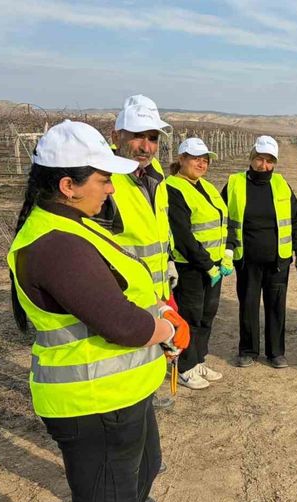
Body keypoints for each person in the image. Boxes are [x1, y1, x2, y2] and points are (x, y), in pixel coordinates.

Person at [7, 120, 190, 502]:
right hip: (94, 404)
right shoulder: (55, 246)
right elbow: (122, 324)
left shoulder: (76, 227)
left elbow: (116, 288)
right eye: (103, 180)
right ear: (67, 186)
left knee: (144, 470)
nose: (110, 189)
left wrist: (160, 310)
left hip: (121, 394)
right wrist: (166, 331)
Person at [95, 94, 177, 409]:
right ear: (116, 137)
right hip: (122, 294)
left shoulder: (155, 176)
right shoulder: (104, 181)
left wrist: (168, 261)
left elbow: (158, 228)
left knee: (148, 357)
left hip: (154, 290)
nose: (145, 146)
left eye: (152, 138)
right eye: (137, 137)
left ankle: (147, 396)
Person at [222, 135, 297, 369]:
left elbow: (295, 220)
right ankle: (248, 350)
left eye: (269, 160)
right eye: (259, 159)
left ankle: (276, 353)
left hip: (278, 261)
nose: (264, 165)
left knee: (276, 306)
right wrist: (226, 249)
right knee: (248, 305)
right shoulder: (234, 184)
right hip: (246, 260)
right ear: (251, 158)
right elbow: (222, 219)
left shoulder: (281, 184)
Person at [166, 137, 229, 389]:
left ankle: (199, 359)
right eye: (195, 159)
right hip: (191, 267)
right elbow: (183, 235)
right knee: (190, 316)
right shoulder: (173, 188)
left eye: (204, 160)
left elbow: (223, 220)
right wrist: (206, 264)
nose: (201, 164)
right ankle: (185, 367)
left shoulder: (207, 186)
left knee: (207, 314)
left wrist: (226, 255)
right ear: (181, 159)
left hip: (213, 265)